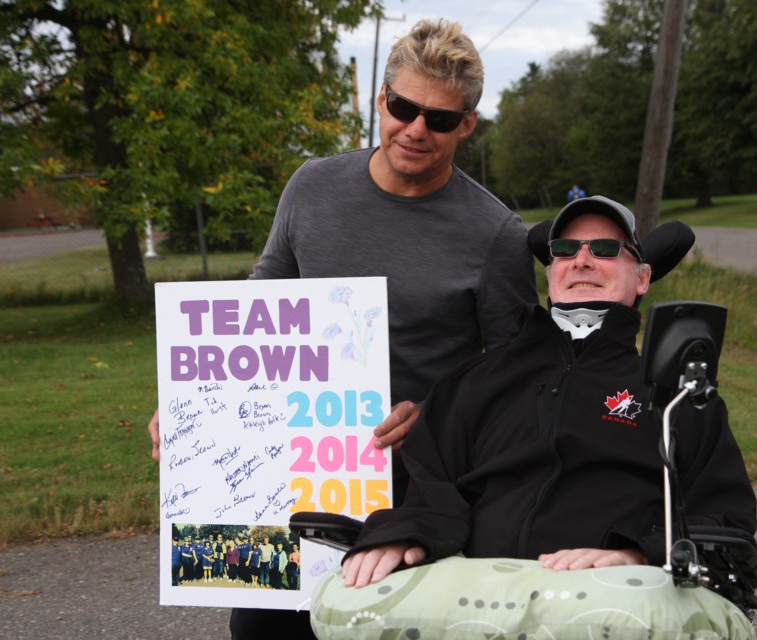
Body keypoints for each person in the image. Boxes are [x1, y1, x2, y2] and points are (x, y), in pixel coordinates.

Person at [146, 17, 538, 639]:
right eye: (404, 107)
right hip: (280, 478)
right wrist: (193, 406)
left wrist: (433, 414)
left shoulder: (496, 234)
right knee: (261, 633)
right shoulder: (312, 186)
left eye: (439, 119)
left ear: (466, 124)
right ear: (381, 100)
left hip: (413, 492)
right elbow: (254, 318)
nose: (415, 129)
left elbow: (519, 376)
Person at [341, 195, 757, 589]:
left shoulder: (676, 395)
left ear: (643, 277)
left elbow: (725, 521)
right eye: (565, 249)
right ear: (551, 272)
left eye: (604, 249)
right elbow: (428, 488)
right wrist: (405, 534)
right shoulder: (476, 381)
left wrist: (640, 555)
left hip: (614, 602)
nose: (581, 260)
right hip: (475, 599)